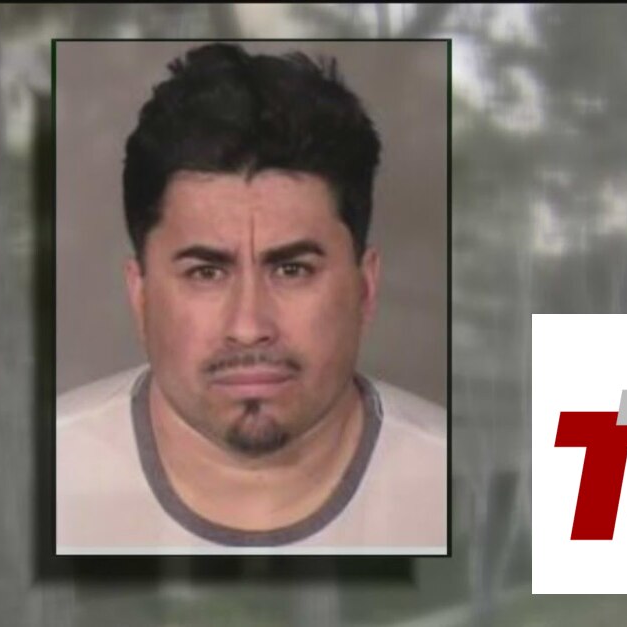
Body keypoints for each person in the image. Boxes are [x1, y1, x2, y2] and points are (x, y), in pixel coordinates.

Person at [56, 42, 446, 551]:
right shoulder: (39, 479)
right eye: (205, 273)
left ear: (365, 288)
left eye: (292, 270)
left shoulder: (458, 483)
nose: (248, 326)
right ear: (141, 294)